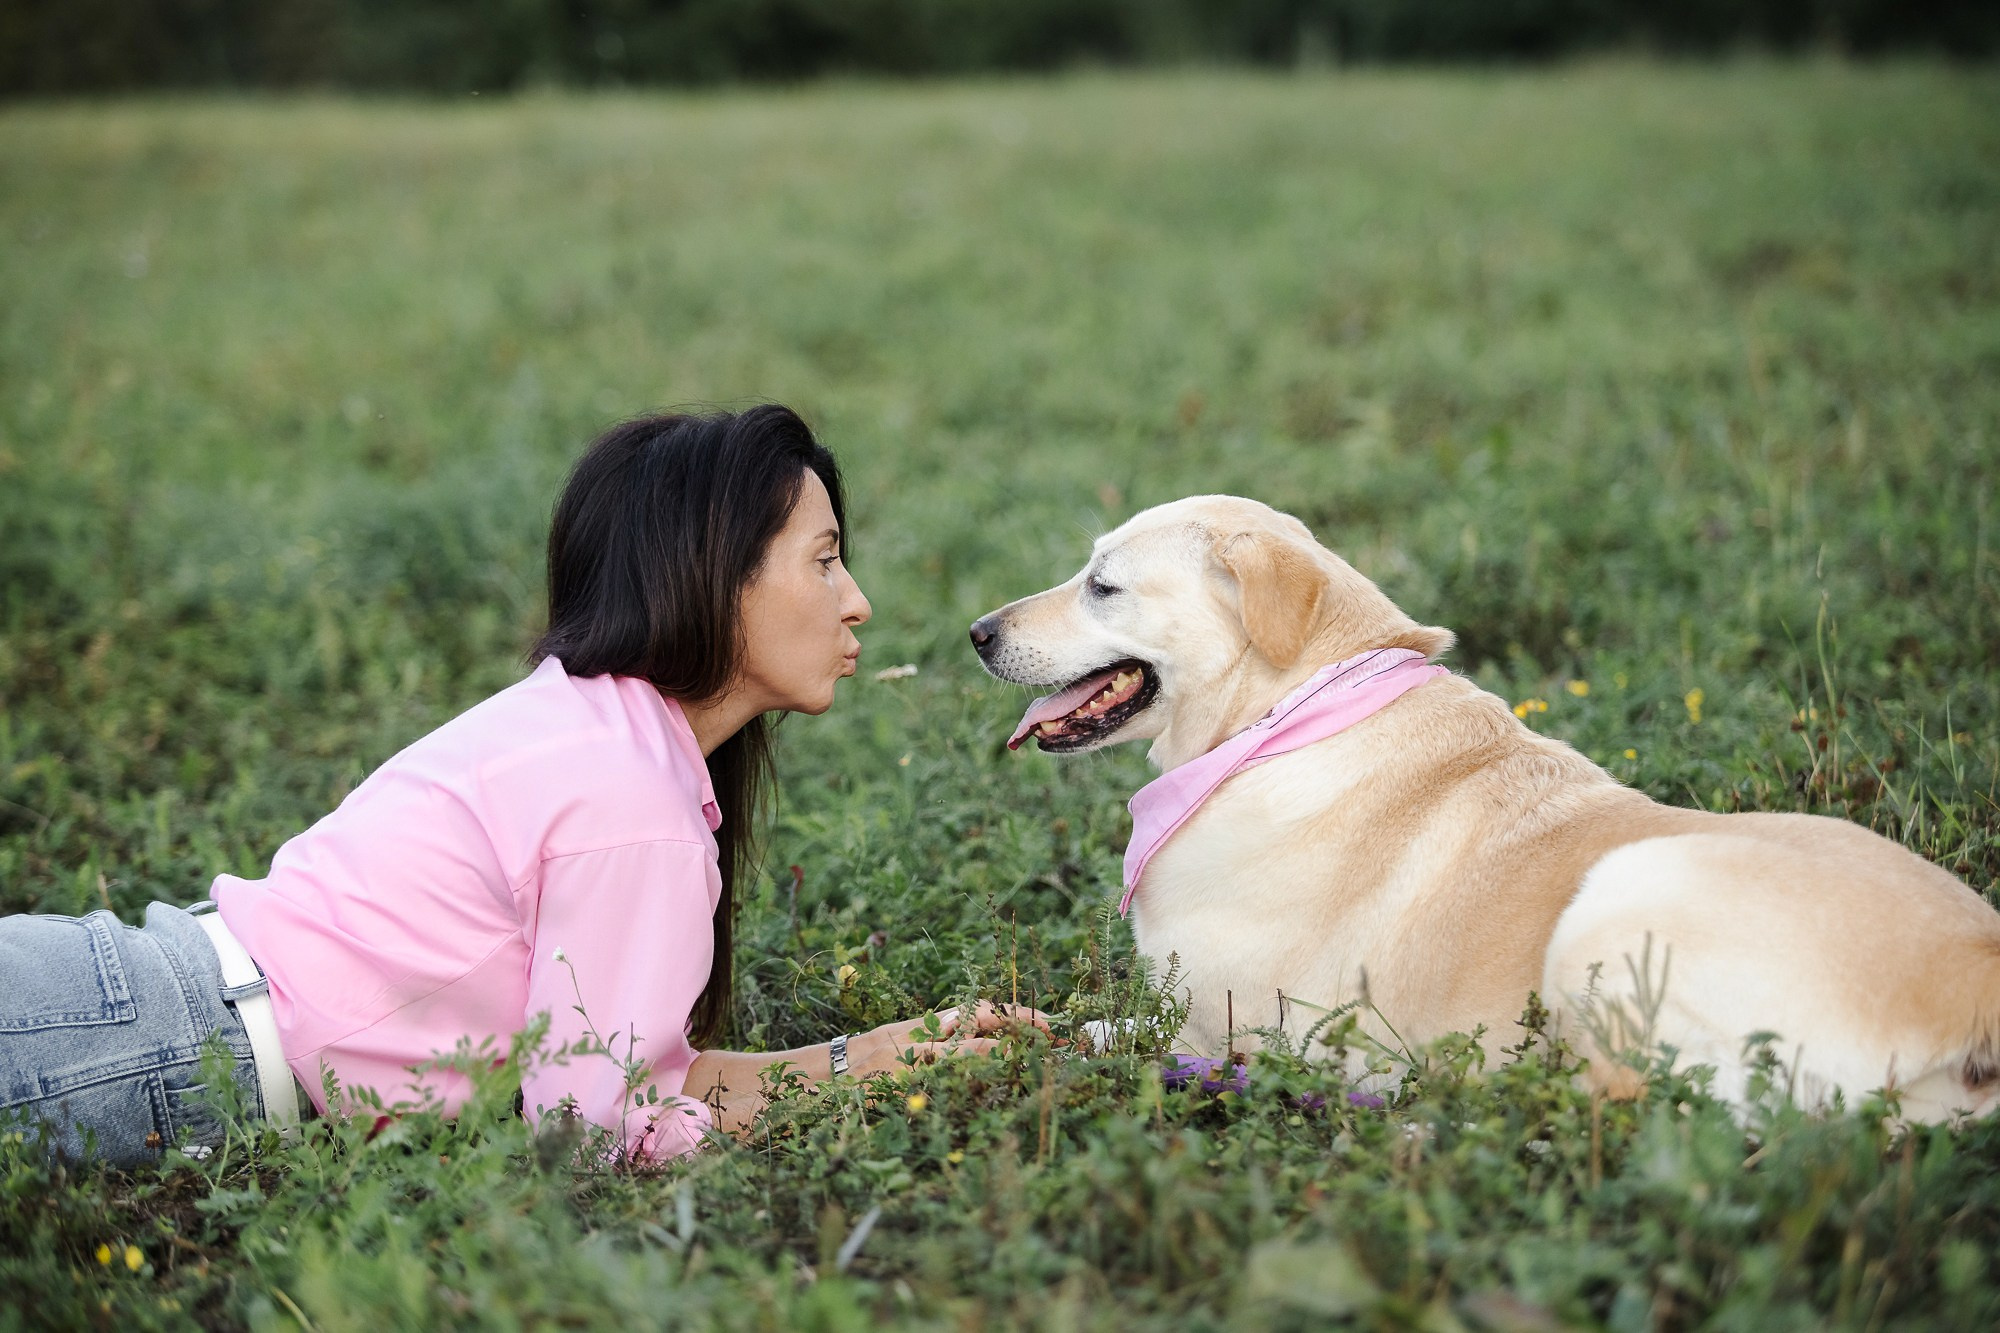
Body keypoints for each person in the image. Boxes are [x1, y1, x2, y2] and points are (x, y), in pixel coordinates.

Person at [0, 405, 1044, 1167]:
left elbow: (631, 1087)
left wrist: (871, 1056)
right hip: (148, 1046)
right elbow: (594, 1139)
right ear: (713, 570)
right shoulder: (633, 801)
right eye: (822, 561)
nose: (857, 601)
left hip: (135, 1000)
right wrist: (865, 1087)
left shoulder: (595, 727)